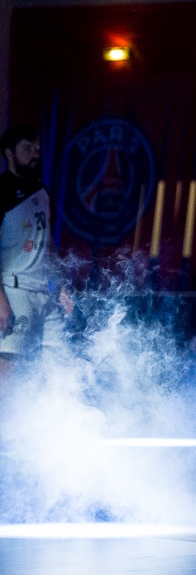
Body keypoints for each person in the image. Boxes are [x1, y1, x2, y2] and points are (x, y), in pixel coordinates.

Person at [0, 126, 72, 428]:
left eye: (37, 148)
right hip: (15, 290)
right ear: (9, 154)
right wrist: (1, 304)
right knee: (11, 367)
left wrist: (61, 286)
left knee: (59, 366)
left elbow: (48, 246)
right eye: (27, 149)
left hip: (46, 290)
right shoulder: (1, 191)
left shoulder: (41, 189)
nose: (35, 154)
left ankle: (51, 433)